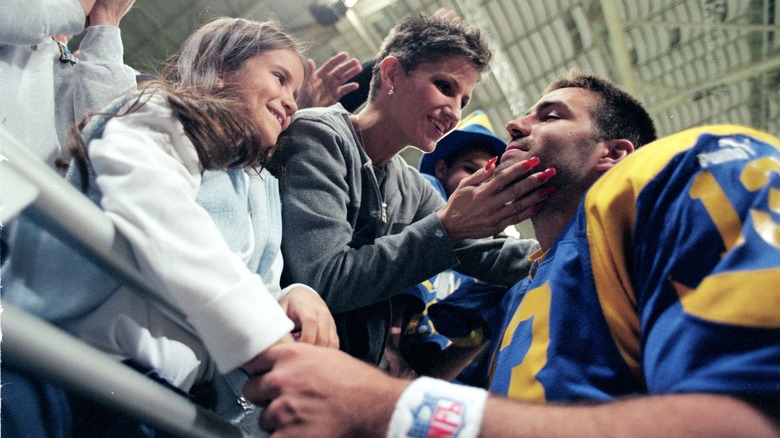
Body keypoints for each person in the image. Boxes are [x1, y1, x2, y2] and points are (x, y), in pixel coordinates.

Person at [242, 72, 780, 437]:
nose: (515, 127)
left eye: (549, 115)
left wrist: (385, 404)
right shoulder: (527, 284)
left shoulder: (692, 168)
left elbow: (752, 419)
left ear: (614, 155)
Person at [2, 16, 338, 432]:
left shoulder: (259, 187)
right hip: (64, 361)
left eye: (296, 92)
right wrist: (266, 338)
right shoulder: (158, 112)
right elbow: (152, 199)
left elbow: (247, 277)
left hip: (156, 396)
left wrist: (291, 297)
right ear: (219, 67)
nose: (291, 101)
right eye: (279, 77)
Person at [273, 12, 543, 366]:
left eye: (463, 100)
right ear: (390, 74)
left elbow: (491, 255)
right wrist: (447, 228)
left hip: (343, 379)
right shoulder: (319, 135)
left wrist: (582, 243)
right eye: (445, 87)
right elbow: (324, 280)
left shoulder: (412, 188)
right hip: (278, 372)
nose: (454, 111)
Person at [395, 109, 510, 385]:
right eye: (470, 169)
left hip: (418, 375)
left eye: (492, 178)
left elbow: (433, 373)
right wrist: (389, 341)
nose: (480, 181)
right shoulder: (424, 191)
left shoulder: (491, 251)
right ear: (441, 169)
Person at [0, 0, 137, 171]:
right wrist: (76, 7)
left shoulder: (80, 67)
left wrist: (106, 23)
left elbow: (111, 147)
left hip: (34, 190)